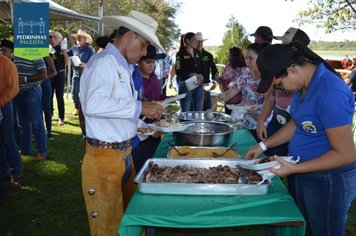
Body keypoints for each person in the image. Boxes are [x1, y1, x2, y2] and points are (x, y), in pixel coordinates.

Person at [246, 43, 356, 236]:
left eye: (279, 85)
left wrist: (295, 169)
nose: (281, 90)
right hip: (306, 172)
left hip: (329, 179)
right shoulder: (305, 85)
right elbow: (297, 123)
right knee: (306, 229)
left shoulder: (330, 93)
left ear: (292, 69)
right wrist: (263, 145)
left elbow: (346, 154)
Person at [79, 10, 165, 235]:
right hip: (104, 159)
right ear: (131, 37)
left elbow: (113, 111)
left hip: (121, 155)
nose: (145, 52)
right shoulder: (104, 62)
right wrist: (139, 108)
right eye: (144, 45)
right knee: (109, 228)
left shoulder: (121, 66)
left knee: (130, 221)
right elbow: (93, 105)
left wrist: (141, 128)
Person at [256, 27, 311, 156]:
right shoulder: (279, 66)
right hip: (277, 122)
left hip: (297, 127)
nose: (281, 47)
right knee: (270, 160)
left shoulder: (306, 75)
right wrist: (261, 121)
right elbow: (271, 97)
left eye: (286, 44)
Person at [13, 56, 48, 160]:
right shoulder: (15, 56)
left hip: (32, 91)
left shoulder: (35, 54)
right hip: (18, 93)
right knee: (23, 124)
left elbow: (44, 74)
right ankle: (25, 149)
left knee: (37, 123)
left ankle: (42, 151)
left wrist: (25, 79)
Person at [0, 40, 22, 186]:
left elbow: (14, 88)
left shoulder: (7, 64)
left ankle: (16, 173)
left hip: (4, 105)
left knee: (8, 140)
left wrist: (1, 101)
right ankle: (5, 173)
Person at [175, 32, 204, 111]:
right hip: (185, 84)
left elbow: (202, 69)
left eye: (197, 40)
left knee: (199, 111)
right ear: (187, 41)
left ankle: (197, 124)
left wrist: (201, 77)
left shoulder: (198, 53)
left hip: (198, 84)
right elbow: (178, 71)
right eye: (194, 40)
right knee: (185, 111)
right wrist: (192, 74)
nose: (197, 42)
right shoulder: (180, 54)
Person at [67, 30, 94, 116]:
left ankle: (84, 110)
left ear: (85, 39)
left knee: (84, 93)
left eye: (80, 37)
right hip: (76, 73)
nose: (78, 38)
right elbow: (65, 54)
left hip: (86, 74)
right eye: (77, 37)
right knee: (74, 92)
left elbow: (94, 63)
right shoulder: (74, 48)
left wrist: (86, 64)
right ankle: (77, 108)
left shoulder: (89, 50)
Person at [217, 47, 249, 115]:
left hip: (237, 100)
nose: (227, 55)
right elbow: (223, 77)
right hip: (227, 99)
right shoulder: (228, 66)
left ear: (234, 56)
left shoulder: (242, 70)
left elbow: (235, 83)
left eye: (229, 54)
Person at [49, 30, 69, 125]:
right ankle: (50, 113)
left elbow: (68, 63)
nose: (51, 39)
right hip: (50, 75)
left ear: (56, 39)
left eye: (53, 37)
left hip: (60, 74)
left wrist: (64, 53)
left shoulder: (61, 49)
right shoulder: (45, 49)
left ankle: (61, 117)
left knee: (59, 96)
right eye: (49, 37)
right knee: (49, 95)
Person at [195, 32, 219, 111]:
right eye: (197, 41)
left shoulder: (208, 55)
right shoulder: (191, 55)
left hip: (206, 85)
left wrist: (214, 82)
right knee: (195, 111)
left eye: (201, 41)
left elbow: (214, 70)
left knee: (207, 110)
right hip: (194, 86)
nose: (199, 43)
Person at [42, 56, 57, 139]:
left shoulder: (46, 57)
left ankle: (49, 131)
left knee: (46, 108)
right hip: (35, 84)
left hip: (45, 85)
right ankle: (39, 131)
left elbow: (54, 72)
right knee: (37, 109)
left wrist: (44, 78)